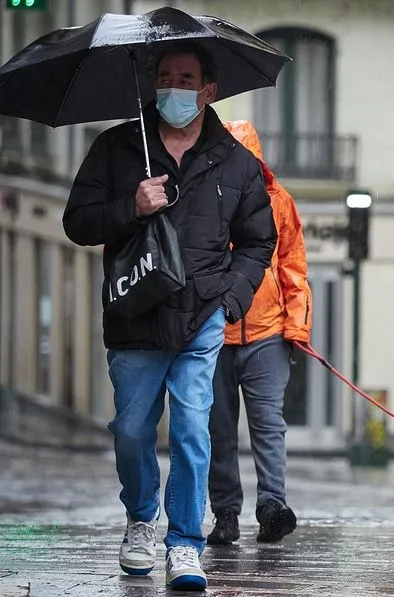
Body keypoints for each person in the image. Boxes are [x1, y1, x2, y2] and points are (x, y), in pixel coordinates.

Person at [62, 42, 276, 591]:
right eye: (165, 77)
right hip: (135, 313)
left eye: (186, 79)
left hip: (202, 313)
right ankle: (140, 519)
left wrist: (231, 297)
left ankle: (185, 543)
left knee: (191, 426)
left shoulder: (237, 161)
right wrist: (130, 207)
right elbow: (78, 222)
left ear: (208, 91)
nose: (174, 89)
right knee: (132, 431)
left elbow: (258, 241)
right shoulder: (115, 149)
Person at [206, 119, 312, 545]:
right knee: (218, 427)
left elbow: (293, 266)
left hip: (267, 333)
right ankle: (226, 513)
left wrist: (296, 325)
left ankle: (272, 505)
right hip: (214, 333)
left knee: (268, 423)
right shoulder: (203, 198)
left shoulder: (279, 201)